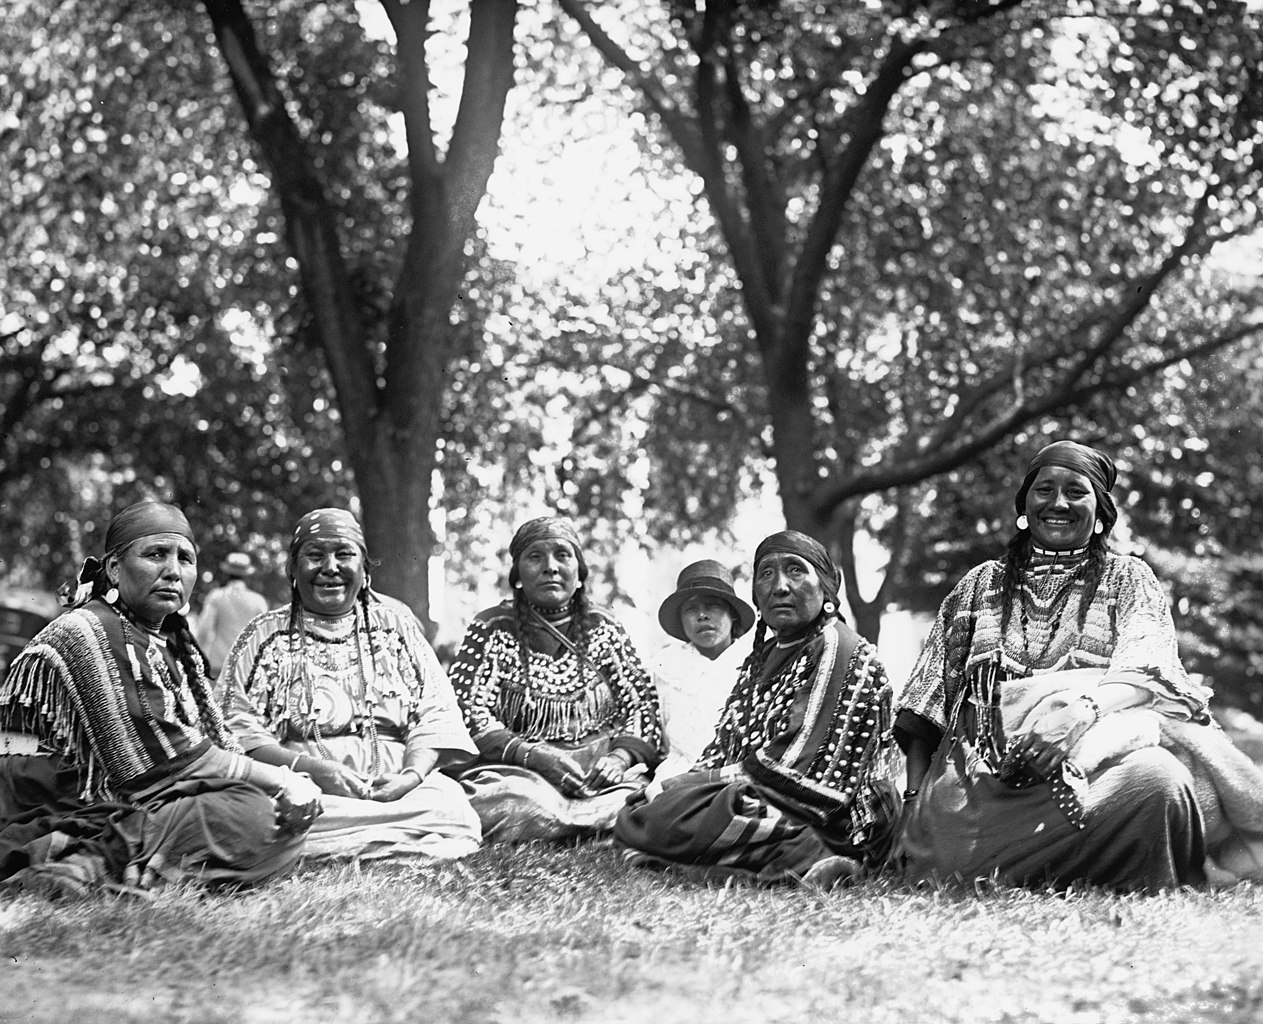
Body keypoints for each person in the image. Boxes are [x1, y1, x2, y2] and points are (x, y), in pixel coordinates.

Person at [895, 439, 1263, 891]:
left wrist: (1079, 711)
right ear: (1025, 505)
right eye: (1044, 490)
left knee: (1159, 781)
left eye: (1076, 491)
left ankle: (1048, 866)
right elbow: (925, 707)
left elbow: (1148, 664)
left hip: (1093, 772)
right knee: (948, 858)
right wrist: (913, 799)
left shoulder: (1127, 577)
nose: (1058, 503)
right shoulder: (979, 585)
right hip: (981, 781)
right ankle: (1030, 863)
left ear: (1101, 511)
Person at [0, 501, 320, 896]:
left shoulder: (160, 638)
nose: (172, 571)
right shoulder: (92, 631)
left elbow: (202, 747)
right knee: (251, 815)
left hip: (113, 797)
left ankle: (117, 867)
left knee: (272, 821)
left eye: (185, 559)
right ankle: (93, 864)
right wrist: (282, 780)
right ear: (114, 568)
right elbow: (164, 763)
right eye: (155, 555)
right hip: (52, 801)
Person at [615, 530, 902, 888]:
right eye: (766, 574)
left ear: (826, 587)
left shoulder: (837, 647)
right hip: (768, 796)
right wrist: (681, 786)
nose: (779, 586)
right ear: (756, 595)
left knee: (682, 814)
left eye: (795, 571)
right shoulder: (761, 659)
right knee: (639, 807)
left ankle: (815, 856)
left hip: (833, 816)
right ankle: (761, 864)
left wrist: (695, 784)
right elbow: (726, 744)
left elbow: (804, 771)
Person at [219, 508, 482, 861]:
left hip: (395, 789)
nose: (330, 567)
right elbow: (234, 725)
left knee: (450, 804)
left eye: (344, 554)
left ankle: (333, 843)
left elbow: (435, 712)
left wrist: (412, 775)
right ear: (294, 571)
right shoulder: (263, 635)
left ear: (364, 569)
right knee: (255, 811)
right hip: (305, 788)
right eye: (315, 556)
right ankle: (387, 839)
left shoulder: (397, 627)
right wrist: (311, 771)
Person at [448, 516, 663, 843]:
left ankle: (571, 823)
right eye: (535, 557)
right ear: (517, 575)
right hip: (522, 774)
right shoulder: (490, 628)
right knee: (505, 802)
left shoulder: (604, 627)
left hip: (601, 776)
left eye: (562, 555)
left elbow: (641, 705)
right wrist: (532, 755)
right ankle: (596, 827)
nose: (550, 566)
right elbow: (467, 712)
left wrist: (619, 759)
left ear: (579, 574)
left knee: (646, 796)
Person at [650, 559, 755, 779]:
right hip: (679, 773)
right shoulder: (665, 666)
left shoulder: (755, 662)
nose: (702, 616)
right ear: (681, 619)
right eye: (691, 609)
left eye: (713, 606)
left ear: (732, 613)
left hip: (742, 772)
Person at [194, 551, 269, 678]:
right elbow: (265, 636)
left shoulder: (216, 597)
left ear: (226, 573)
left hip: (219, 664)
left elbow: (204, 631)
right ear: (247, 575)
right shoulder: (258, 602)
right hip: (247, 666)